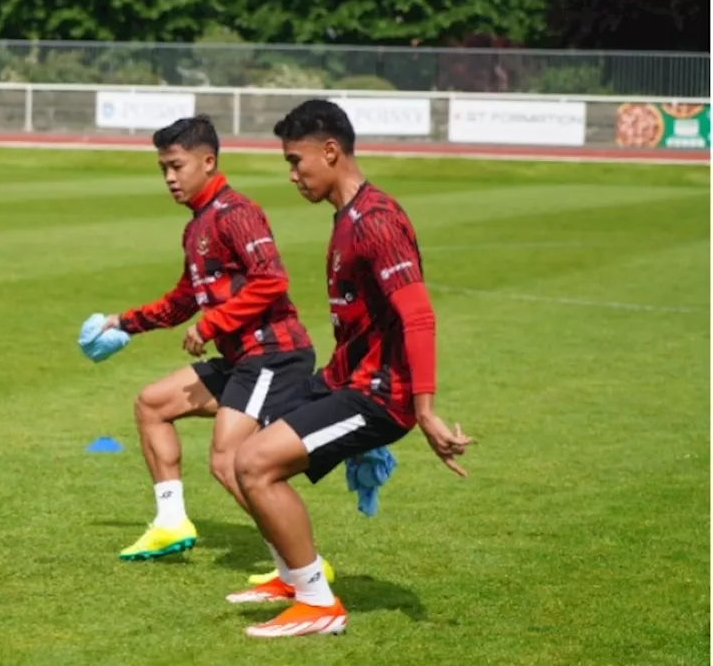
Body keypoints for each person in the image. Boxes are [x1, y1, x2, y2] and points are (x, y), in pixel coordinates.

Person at [232, 99, 473, 638]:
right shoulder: (349, 217)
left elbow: (419, 315)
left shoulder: (377, 222)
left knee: (253, 464)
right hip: (349, 379)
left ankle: (318, 604)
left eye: (297, 161)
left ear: (331, 151)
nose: (292, 174)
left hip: (381, 396)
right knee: (236, 452)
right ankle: (293, 577)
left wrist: (425, 410)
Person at [100, 115, 320, 586]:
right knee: (151, 404)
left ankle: (300, 568)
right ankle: (171, 521)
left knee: (228, 460)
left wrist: (214, 323)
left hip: (273, 355)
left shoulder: (236, 213)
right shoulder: (197, 225)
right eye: (163, 169)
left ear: (208, 161)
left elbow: (271, 279)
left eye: (176, 166)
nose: (169, 178)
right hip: (243, 359)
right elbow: (184, 298)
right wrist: (125, 323)